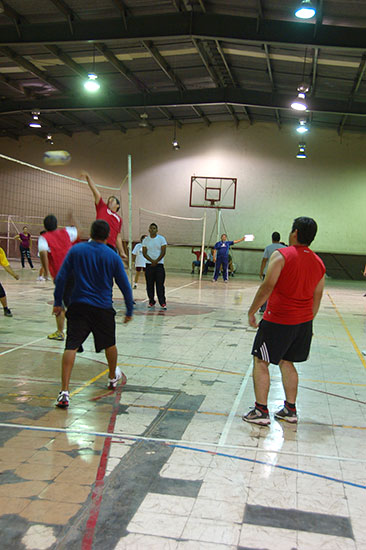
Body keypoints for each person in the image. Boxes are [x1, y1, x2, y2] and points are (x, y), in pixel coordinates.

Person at [242, 217, 325, 426]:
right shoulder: (318, 263)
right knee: (286, 361)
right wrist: (309, 322)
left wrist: (252, 311)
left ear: (295, 233)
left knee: (261, 361)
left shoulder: (282, 256)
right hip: (303, 323)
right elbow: (317, 297)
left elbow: (267, 287)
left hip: (278, 320)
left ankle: (261, 411)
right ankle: (290, 409)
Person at [53, 220, 133, 408]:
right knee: (110, 344)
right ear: (107, 236)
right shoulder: (112, 256)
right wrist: (129, 309)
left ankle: (64, 392)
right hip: (103, 308)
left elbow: (62, 277)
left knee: (71, 346)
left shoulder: (76, 250)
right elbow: (124, 285)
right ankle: (112, 377)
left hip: (78, 306)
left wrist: (58, 302)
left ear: (91, 232)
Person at [38, 214, 78, 341]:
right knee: (69, 301)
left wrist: (45, 271)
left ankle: (65, 332)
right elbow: (79, 231)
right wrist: (73, 220)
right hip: (74, 272)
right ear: (56, 224)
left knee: (60, 303)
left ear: (45, 226)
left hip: (60, 275)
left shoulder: (44, 238)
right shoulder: (66, 231)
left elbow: (43, 254)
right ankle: (70, 329)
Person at [81, 171, 127, 259]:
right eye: (108, 200)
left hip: (110, 246)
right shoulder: (102, 207)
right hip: (96, 242)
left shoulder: (119, 219)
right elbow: (95, 192)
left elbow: (118, 237)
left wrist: (122, 251)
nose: (109, 201)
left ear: (118, 205)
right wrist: (88, 177)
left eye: (112, 200)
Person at [259, 232, 286, 312]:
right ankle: (278, 307)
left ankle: (263, 307)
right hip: (280, 272)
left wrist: (261, 271)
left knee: (265, 290)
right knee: (279, 291)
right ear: (279, 238)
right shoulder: (284, 248)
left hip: (268, 272)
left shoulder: (268, 248)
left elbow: (264, 260)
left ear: (272, 238)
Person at [142, 223, 167, 310]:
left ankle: (162, 302)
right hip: (149, 265)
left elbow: (163, 252)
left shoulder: (161, 239)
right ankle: (151, 301)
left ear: (157, 230)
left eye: (154, 228)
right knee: (149, 284)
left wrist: (156, 261)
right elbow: (144, 253)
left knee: (160, 284)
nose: (152, 230)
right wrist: (152, 261)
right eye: (151, 228)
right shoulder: (145, 240)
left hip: (159, 265)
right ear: (149, 230)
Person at [0, 247, 19, 316]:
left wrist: (13, 274)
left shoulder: (0, 251)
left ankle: (5, 309)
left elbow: (6, 265)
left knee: (1, 293)